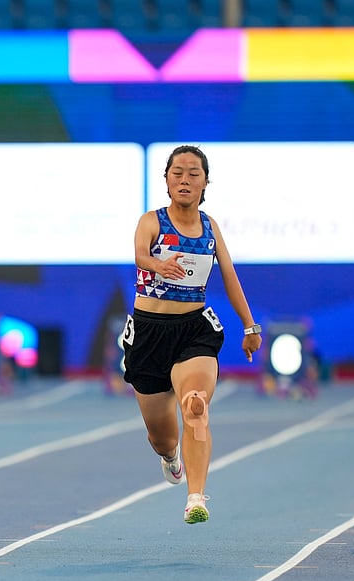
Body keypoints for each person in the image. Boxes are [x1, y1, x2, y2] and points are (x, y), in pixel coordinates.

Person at [122, 145, 262, 525]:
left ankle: (196, 498)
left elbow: (229, 276)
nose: (185, 179)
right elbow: (139, 256)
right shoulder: (152, 221)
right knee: (162, 437)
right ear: (166, 180)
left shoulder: (210, 226)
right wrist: (157, 265)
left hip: (193, 331)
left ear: (205, 182)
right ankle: (171, 458)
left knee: (195, 404)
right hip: (149, 333)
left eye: (193, 173)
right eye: (178, 172)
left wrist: (250, 326)